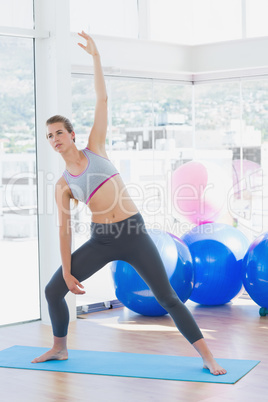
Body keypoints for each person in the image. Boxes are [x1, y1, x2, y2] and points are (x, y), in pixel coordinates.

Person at [32, 31, 226, 376]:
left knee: (167, 298)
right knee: (52, 290)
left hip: (134, 232)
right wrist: (66, 270)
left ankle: (208, 357)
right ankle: (59, 348)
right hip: (102, 238)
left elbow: (102, 100)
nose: (54, 139)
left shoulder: (96, 148)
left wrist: (95, 57)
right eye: (49, 136)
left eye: (59, 132)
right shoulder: (63, 185)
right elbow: (63, 230)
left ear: (72, 134)